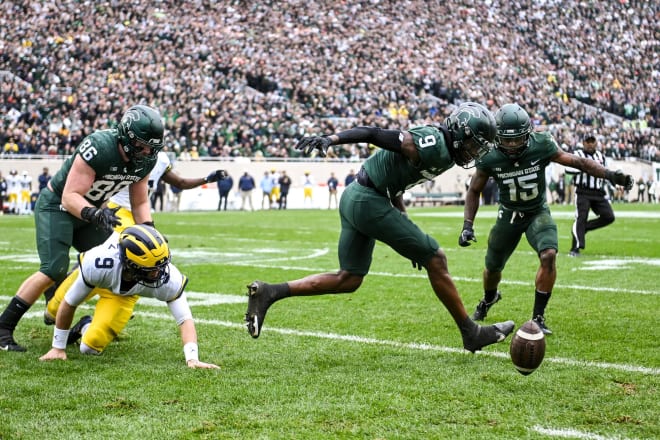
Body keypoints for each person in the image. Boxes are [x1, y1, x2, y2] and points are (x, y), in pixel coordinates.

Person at [245, 102, 515, 353]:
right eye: (473, 144)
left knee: (348, 279)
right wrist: (332, 139)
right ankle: (471, 333)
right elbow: (373, 134)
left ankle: (270, 292)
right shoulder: (432, 144)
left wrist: (406, 225)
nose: (475, 152)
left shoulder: (443, 152)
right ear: (459, 132)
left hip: (358, 196)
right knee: (436, 258)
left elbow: (394, 182)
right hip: (367, 200)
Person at [0, 104, 165, 352]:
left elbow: (140, 201)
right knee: (53, 268)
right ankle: (4, 328)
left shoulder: (145, 160)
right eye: (142, 145)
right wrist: (94, 213)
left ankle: (60, 305)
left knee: (119, 258)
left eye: (152, 147)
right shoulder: (99, 146)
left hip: (93, 212)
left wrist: (150, 231)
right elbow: (69, 196)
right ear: (127, 136)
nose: (147, 152)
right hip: (58, 207)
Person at [459, 104, 633, 335]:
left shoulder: (541, 145)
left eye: (517, 139)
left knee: (549, 255)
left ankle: (538, 317)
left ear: (528, 134)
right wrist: (467, 225)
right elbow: (474, 190)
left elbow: (578, 162)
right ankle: (489, 298)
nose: (511, 145)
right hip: (508, 215)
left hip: (536, 213)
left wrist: (610, 175)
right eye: (506, 140)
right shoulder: (489, 155)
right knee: (492, 268)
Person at [43, 150, 226, 345]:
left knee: (146, 261)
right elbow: (102, 182)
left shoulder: (161, 159)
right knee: (58, 306)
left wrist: (206, 178)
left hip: (142, 218)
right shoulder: (125, 154)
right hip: (119, 213)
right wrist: (102, 208)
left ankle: (106, 311)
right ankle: (75, 281)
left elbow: (180, 183)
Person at [39, 225, 219, 369]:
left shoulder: (167, 277)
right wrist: (58, 348)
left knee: (89, 348)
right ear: (131, 266)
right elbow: (70, 304)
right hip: (94, 279)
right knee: (52, 311)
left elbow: (184, 318)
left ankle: (84, 325)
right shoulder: (98, 263)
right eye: (152, 270)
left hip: (124, 294)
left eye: (161, 266)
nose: (160, 274)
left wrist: (192, 358)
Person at [568, 133, 618, 257]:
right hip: (583, 191)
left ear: (596, 143)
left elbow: (606, 174)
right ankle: (575, 249)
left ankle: (585, 228)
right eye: (587, 141)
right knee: (581, 217)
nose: (590, 144)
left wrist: (615, 186)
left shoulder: (601, 156)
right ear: (583, 143)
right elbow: (568, 170)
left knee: (609, 216)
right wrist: (584, 167)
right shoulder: (577, 155)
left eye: (592, 141)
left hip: (598, 192)